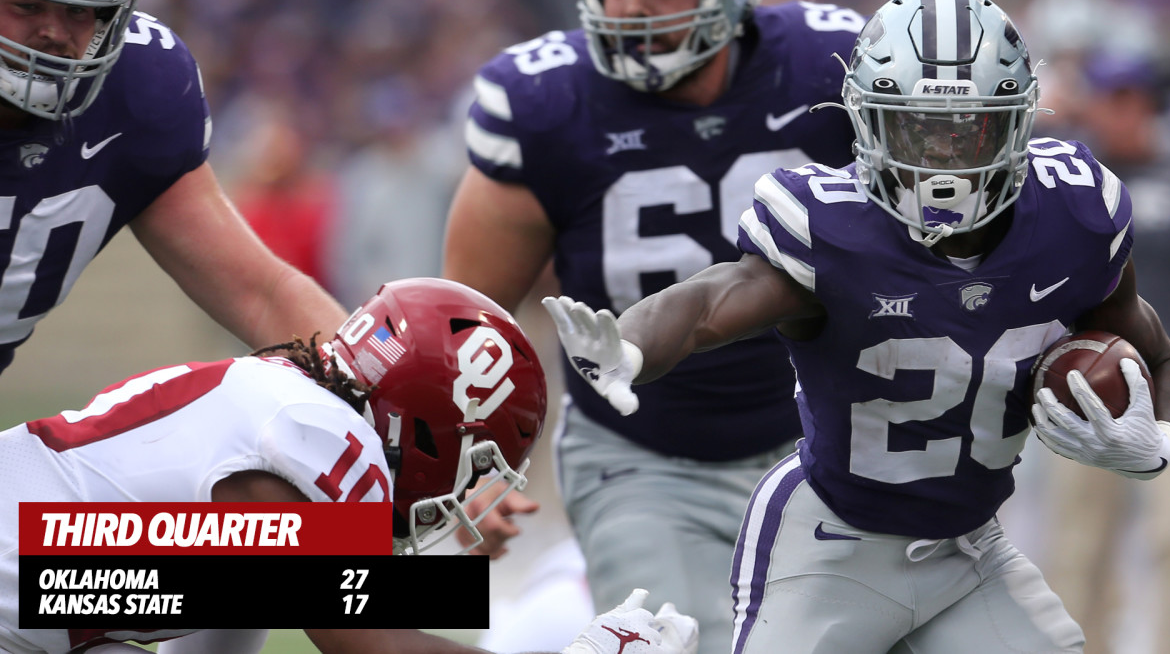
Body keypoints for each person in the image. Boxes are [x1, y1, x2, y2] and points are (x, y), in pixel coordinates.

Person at [541, 0, 1170, 652]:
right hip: (829, 547)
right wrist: (632, 345)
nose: (941, 160)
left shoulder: (1075, 215)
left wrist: (1160, 443)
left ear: (1018, 119)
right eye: (917, 127)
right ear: (866, 119)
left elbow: (1165, 358)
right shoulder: (834, 227)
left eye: (966, 129)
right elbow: (712, 300)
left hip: (969, 553)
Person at [442, 0, 863, 650]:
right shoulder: (546, 102)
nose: (630, 8)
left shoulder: (836, 67)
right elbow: (468, 321)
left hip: (824, 446)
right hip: (641, 455)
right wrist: (461, 471)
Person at [0, 277, 698, 654]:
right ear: (436, 430)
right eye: (478, 460)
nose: (465, 489)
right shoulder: (318, 437)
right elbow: (374, 647)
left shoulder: (286, 405)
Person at [0, 0, 347, 376]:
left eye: (78, 10)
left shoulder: (138, 82)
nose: (55, 33)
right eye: (27, 7)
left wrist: (371, 386)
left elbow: (262, 296)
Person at [1036, 51, 1170, 654]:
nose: (1121, 112)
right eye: (1111, 98)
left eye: (1132, 99)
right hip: (1088, 371)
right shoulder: (1073, 180)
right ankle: (1085, 645)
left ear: (1148, 103)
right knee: (1081, 538)